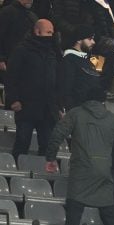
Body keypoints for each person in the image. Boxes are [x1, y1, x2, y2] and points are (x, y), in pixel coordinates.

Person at [45, 86, 114, 225]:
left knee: (74, 215)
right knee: (109, 215)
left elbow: (57, 134)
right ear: (103, 101)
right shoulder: (112, 118)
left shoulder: (75, 113)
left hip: (80, 171)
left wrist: (51, 159)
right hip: (103, 172)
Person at [5, 19, 58, 159]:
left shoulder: (52, 53)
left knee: (47, 145)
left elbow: (56, 80)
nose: (51, 35)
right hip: (26, 105)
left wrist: (56, 105)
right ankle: (16, 168)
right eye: (48, 32)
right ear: (37, 31)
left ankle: (44, 175)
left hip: (47, 108)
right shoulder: (22, 50)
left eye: (52, 32)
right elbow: (11, 76)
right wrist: (14, 99)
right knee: (23, 141)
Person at [52, 0, 114, 92]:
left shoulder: (91, 2)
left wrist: (91, 32)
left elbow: (97, 19)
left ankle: (101, 88)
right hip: (69, 36)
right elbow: (56, 19)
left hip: (89, 34)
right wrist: (76, 31)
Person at [57, 24, 101, 111]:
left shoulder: (87, 60)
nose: (93, 42)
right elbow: (65, 90)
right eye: (89, 39)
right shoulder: (69, 60)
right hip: (78, 113)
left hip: (91, 111)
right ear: (79, 40)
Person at [0, 0, 37, 83]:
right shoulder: (6, 12)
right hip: (8, 62)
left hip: (26, 64)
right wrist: (1, 59)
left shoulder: (32, 16)